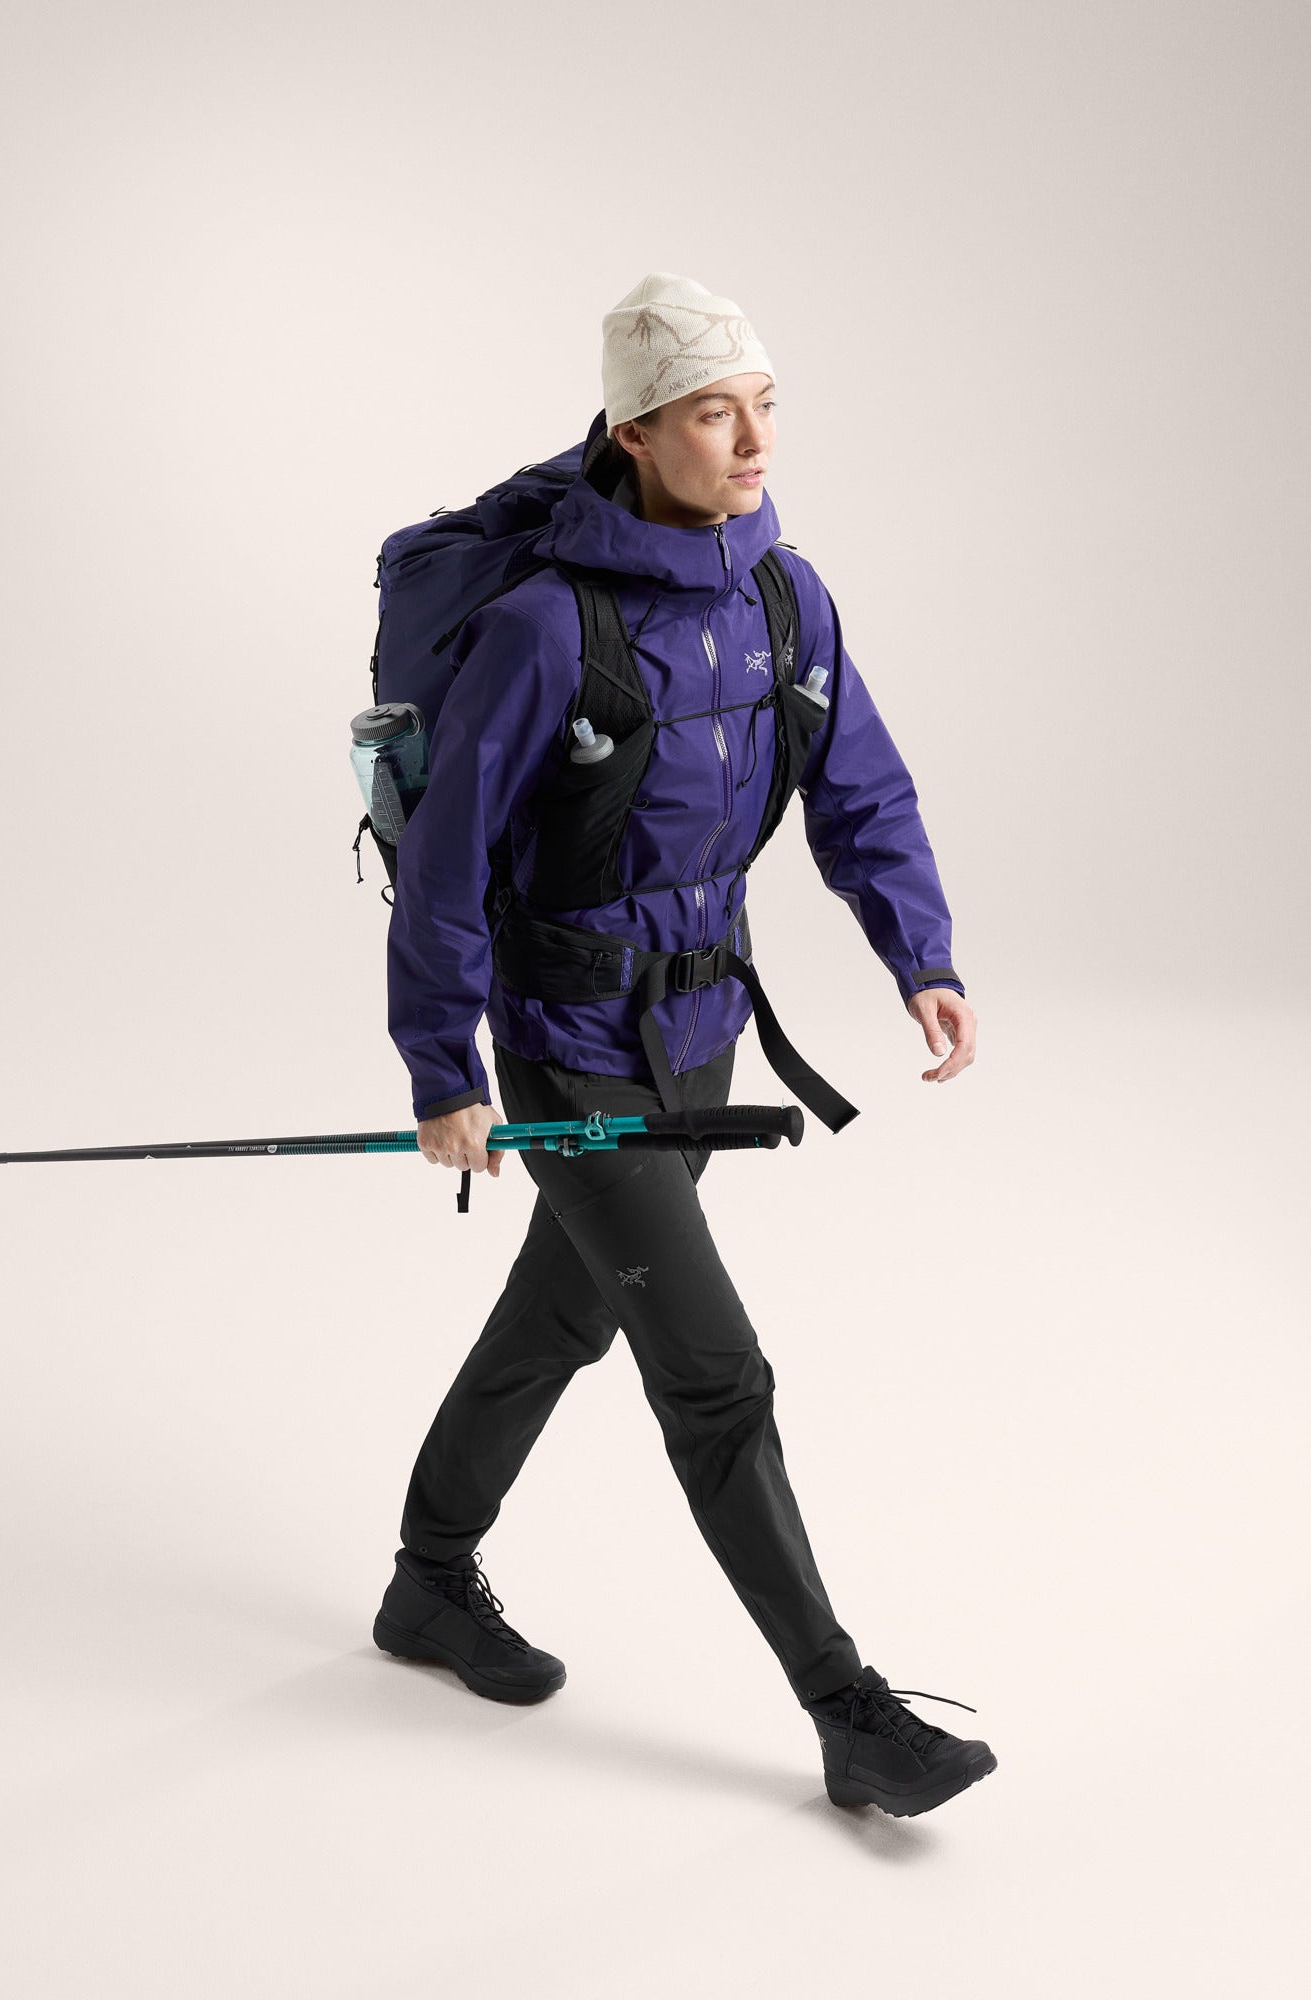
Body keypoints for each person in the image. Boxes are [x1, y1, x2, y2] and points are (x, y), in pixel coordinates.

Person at [370, 272, 996, 1818]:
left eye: (765, 405)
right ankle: (849, 1711)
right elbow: (447, 864)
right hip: (571, 1043)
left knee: (561, 1318)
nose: (754, 439)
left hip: (703, 1033)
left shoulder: (788, 598)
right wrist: (445, 1069)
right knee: (717, 1376)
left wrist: (918, 953)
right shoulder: (544, 627)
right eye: (716, 413)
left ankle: (427, 1582)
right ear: (638, 434)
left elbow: (862, 787)